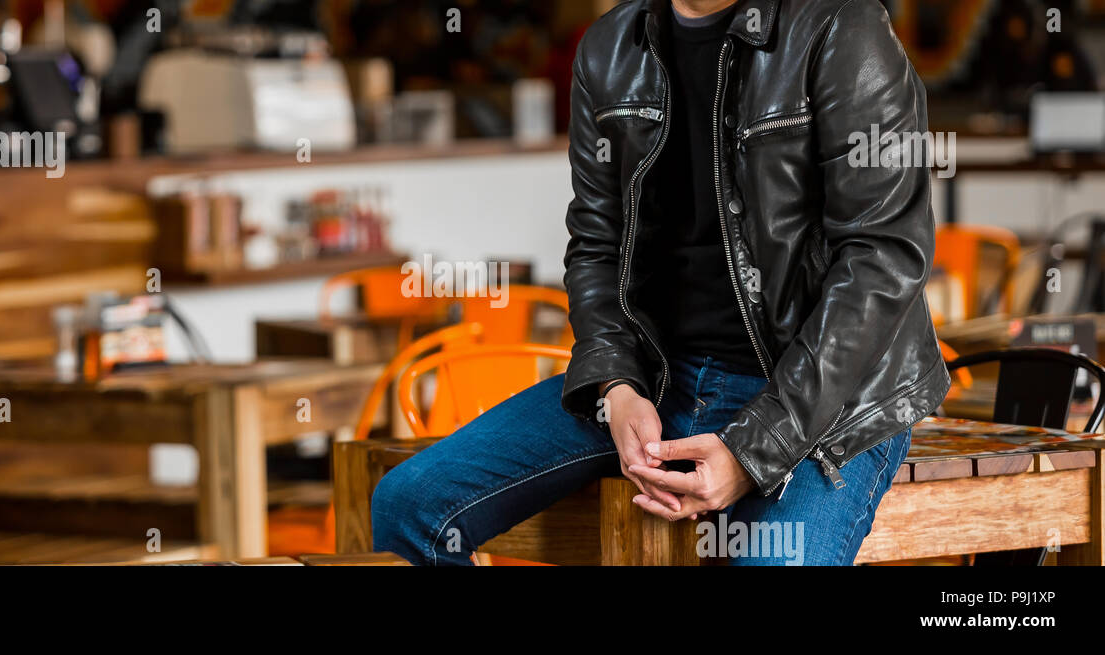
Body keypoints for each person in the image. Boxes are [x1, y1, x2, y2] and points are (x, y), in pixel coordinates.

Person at [372, 0, 950, 566]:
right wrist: (615, 386)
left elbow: (883, 257)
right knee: (410, 505)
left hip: (824, 400)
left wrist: (752, 451)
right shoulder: (609, 48)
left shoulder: (841, 24)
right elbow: (596, 245)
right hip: (658, 378)